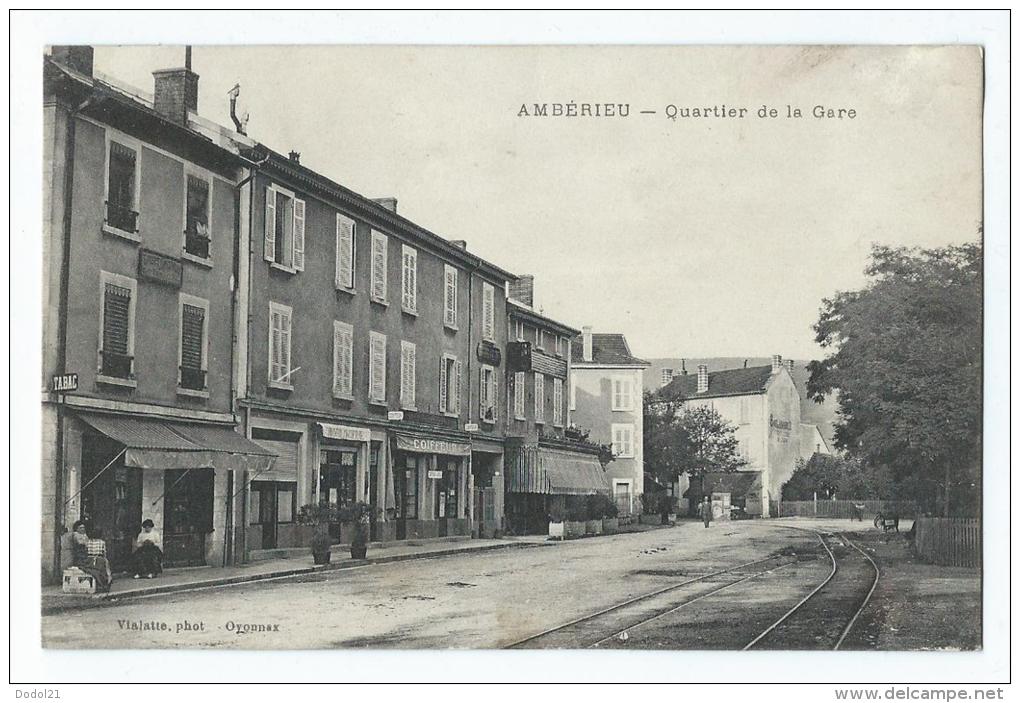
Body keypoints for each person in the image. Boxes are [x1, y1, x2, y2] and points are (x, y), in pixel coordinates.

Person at [70, 521, 113, 593]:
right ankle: (108, 578)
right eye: (81, 528)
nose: (83, 529)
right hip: (94, 559)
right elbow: (104, 552)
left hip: (89, 559)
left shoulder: (88, 540)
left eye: (83, 528)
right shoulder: (101, 542)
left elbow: (86, 550)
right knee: (107, 567)